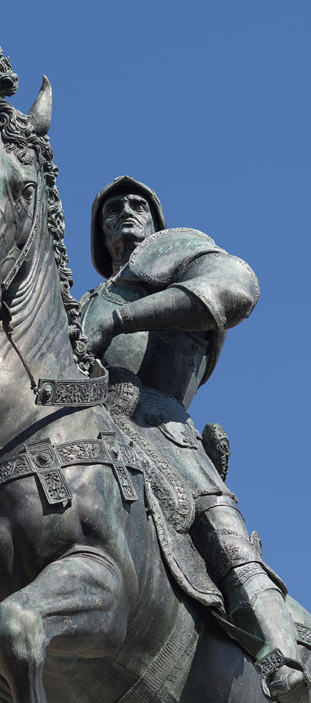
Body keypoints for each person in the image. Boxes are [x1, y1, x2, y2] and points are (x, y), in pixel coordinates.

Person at [80, 175, 307, 703]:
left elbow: (235, 289)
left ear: (158, 224)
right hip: (87, 427)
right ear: (101, 231)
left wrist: (119, 321)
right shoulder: (79, 301)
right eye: (112, 210)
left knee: (218, 527)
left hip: (158, 425)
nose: (125, 213)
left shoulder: (182, 262)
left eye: (138, 205)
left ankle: (282, 660)